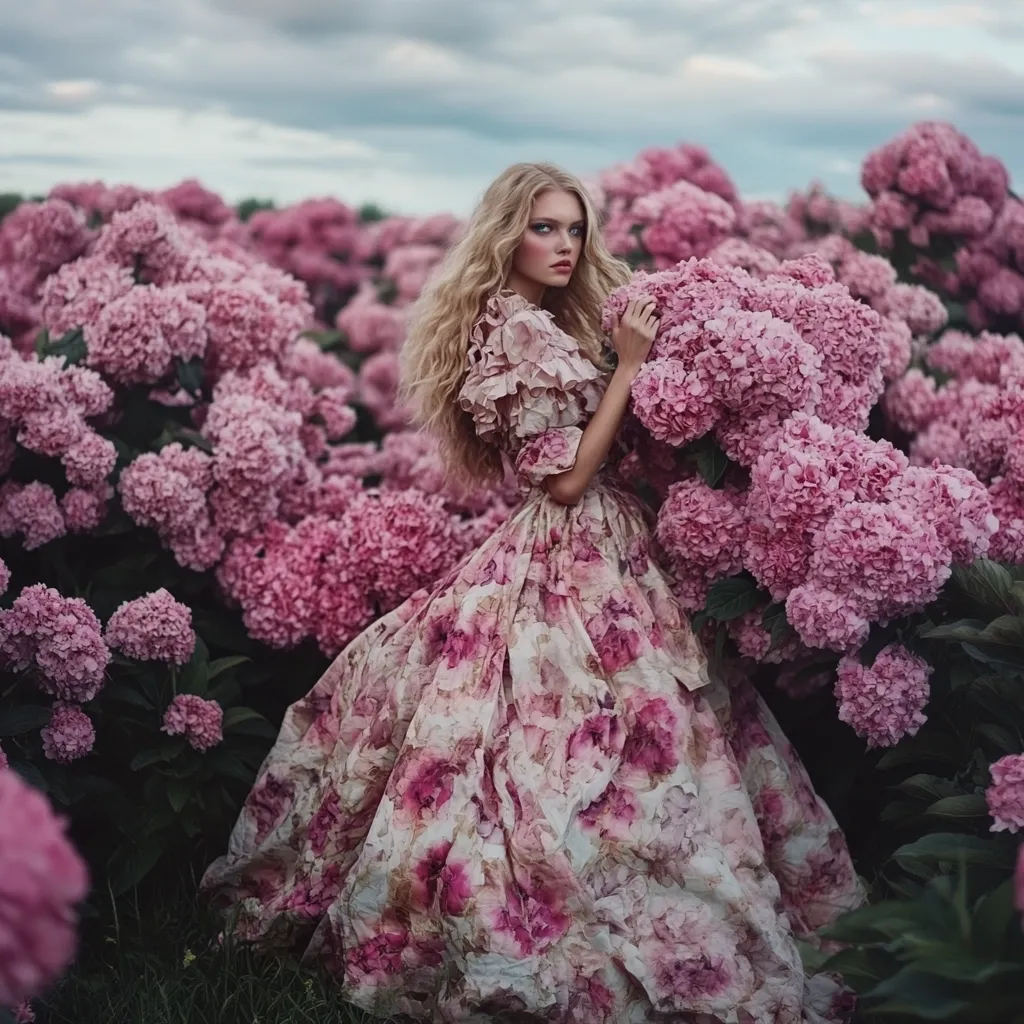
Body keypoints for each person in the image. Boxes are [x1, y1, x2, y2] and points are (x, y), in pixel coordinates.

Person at [201, 162, 865, 1023]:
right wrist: (629, 367)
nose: (563, 245)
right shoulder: (514, 333)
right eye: (544, 227)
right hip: (566, 541)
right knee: (546, 737)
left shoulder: (553, 323)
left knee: (662, 726)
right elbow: (560, 478)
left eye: (575, 229)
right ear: (507, 233)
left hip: (614, 548)